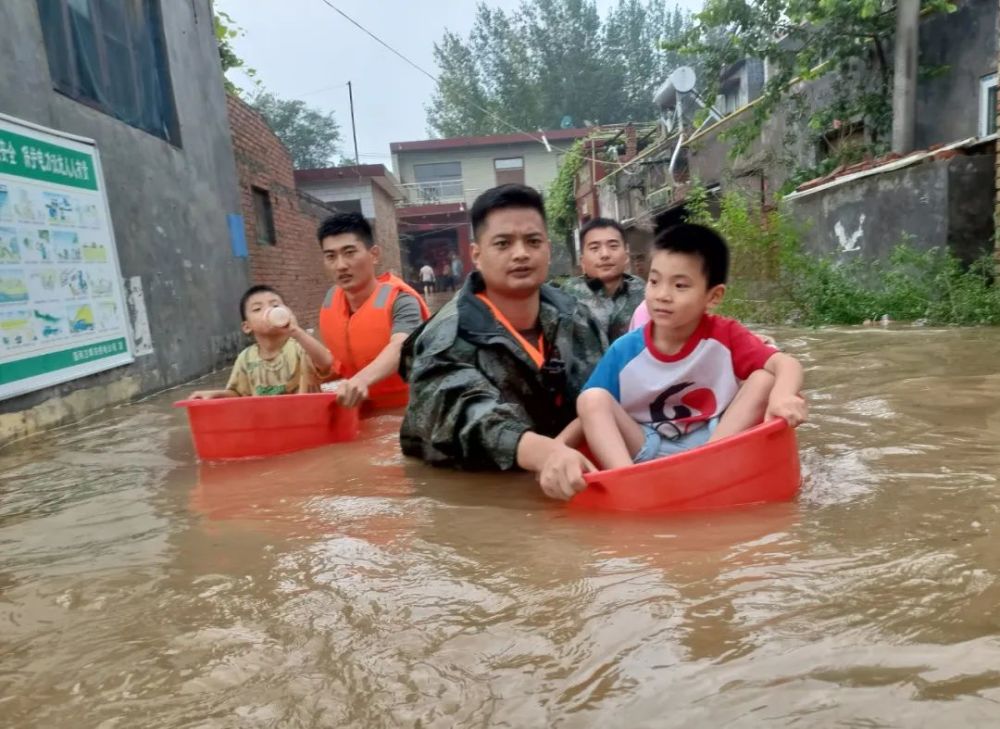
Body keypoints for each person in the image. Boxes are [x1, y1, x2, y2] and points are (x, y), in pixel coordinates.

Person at [399, 184, 607, 499]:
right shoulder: (447, 335)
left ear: (547, 249)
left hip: (565, 470)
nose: (521, 253)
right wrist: (546, 454)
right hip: (474, 492)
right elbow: (468, 415)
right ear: (477, 255)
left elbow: (608, 391)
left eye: (533, 241)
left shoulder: (577, 317)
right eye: (503, 243)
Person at [576, 223, 808, 470]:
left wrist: (782, 396)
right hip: (646, 445)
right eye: (654, 282)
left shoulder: (725, 334)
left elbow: (787, 363)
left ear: (713, 297)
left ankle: (709, 461)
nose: (662, 295)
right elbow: (588, 413)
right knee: (591, 398)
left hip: (715, 440)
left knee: (765, 378)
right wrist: (557, 447)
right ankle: (625, 482)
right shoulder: (625, 351)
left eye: (680, 286)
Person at [317, 213, 430, 409]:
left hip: (406, 410)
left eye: (350, 252)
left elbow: (401, 347)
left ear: (374, 254)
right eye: (331, 256)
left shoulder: (401, 300)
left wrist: (361, 380)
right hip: (355, 409)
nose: (341, 265)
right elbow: (331, 365)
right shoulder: (330, 300)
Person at [190, 285, 333, 399]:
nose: (269, 310)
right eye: (258, 308)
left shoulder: (300, 347)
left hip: (304, 419)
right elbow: (239, 395)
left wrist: (296, 331)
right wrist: (216, 394)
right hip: (267, 423)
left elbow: (326, 362)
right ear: (247, 327)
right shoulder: (245, 358)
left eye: (275, 305)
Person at [559, 217, 645, 342]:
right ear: (582, 261)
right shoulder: (566, 295)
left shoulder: (642, 291)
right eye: (594, 248)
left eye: (613, 246)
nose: (605, 254)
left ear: (626, 256)